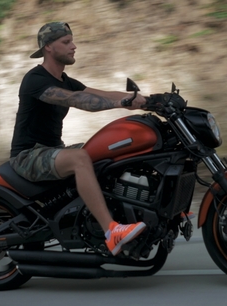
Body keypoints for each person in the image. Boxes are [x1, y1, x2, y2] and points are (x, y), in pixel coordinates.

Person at [9, 22, 147, 256]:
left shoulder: (65, 79)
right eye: (66, 42)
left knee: (110, 153)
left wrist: (144, 100)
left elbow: (100, 94)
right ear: (48, 47)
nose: (74, 46)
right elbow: (78, 100)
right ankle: (111, 232)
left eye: (72, 41)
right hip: (28, 155)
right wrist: (121, 104)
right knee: (80, 158)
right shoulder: (35, 79)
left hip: (52, 151)